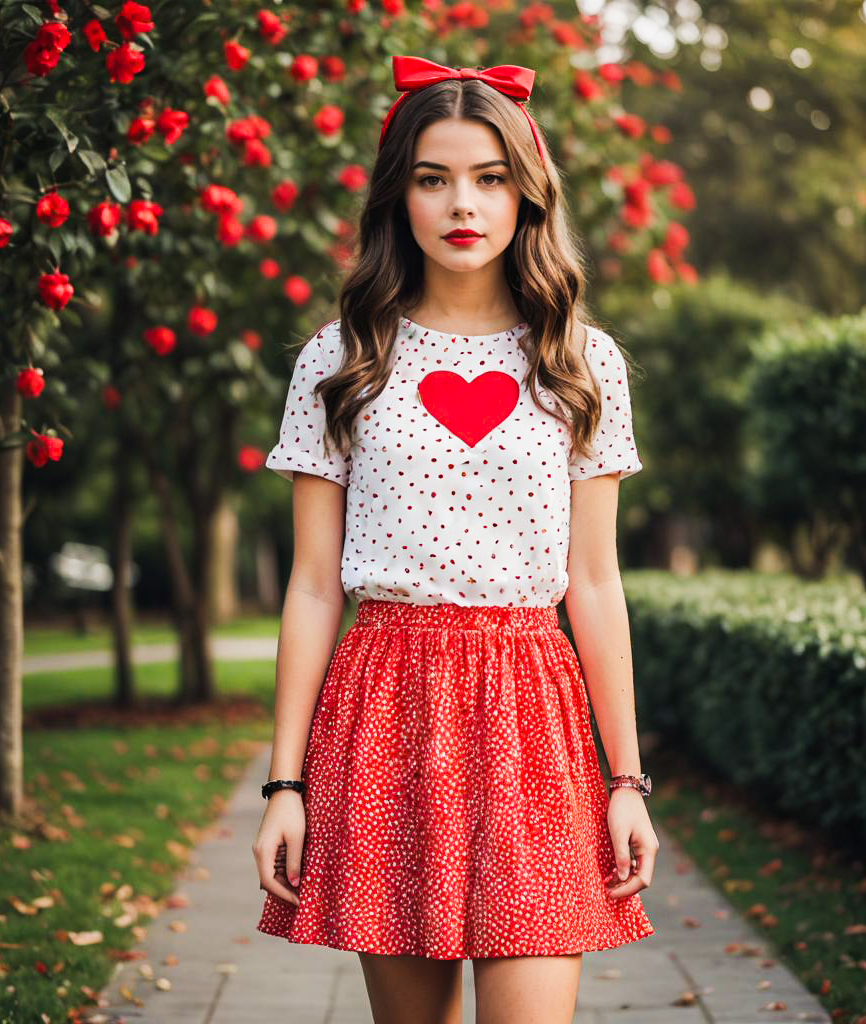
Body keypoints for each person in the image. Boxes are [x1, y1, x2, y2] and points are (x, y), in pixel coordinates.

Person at [252, 55, 657, 1024]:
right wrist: (284, 782)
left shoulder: (578, 360)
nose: (461, 203)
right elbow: (312, 586)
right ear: (400, 195)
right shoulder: (343, 357)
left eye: (488, 177)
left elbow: (595, 585)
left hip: (532, 714)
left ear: (527, 192)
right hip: (385, 707)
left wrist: (626, 779)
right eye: (432, 178)